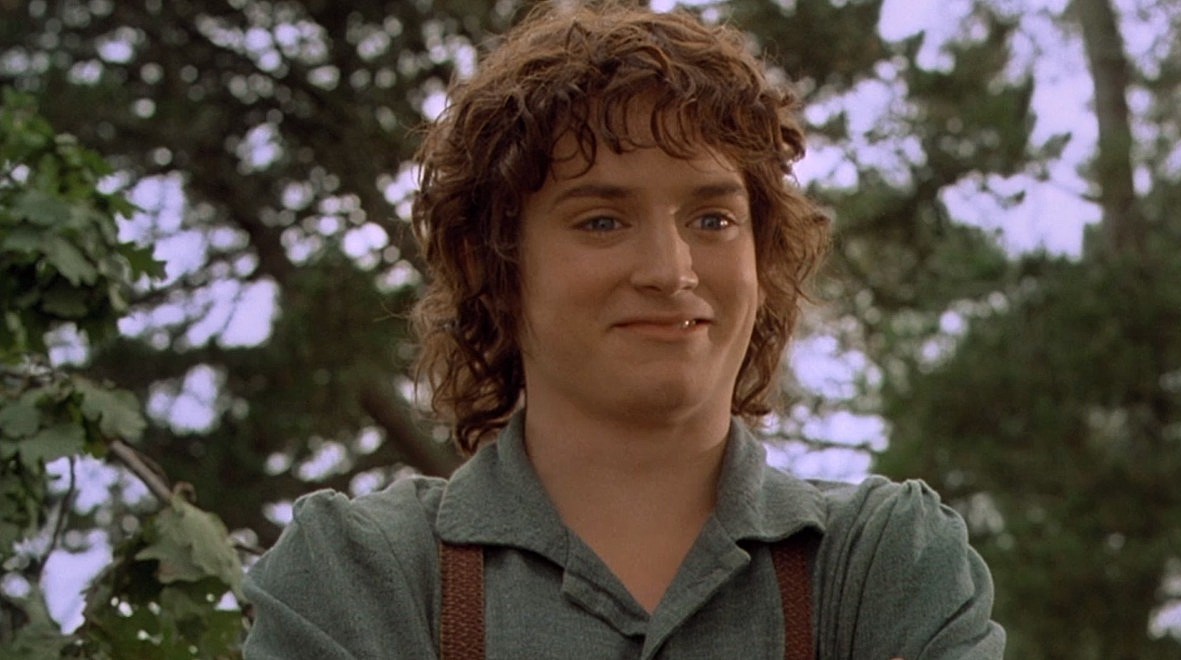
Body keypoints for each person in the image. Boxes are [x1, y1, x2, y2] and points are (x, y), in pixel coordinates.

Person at [242, 2, 1004, 658]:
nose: (671, 270)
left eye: (713, 219)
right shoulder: (362, 573)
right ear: (493, 263)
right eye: (602, 221)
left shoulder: (878, 561)